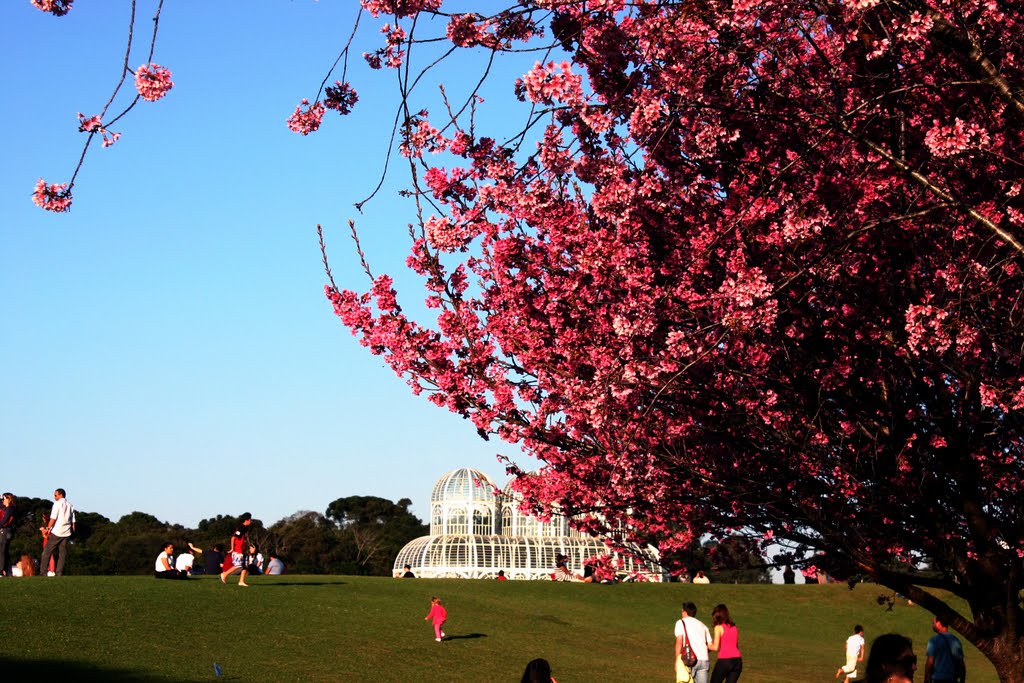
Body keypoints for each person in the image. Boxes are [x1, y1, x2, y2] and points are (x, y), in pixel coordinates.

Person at [39, 488, 76, 576]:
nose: (54, 497)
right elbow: (73, 521)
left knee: (46, 552)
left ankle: (43, 572)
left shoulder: (57, 504)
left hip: (57, 531)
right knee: (62, 554)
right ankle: (59, 572)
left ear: (60, 495)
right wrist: (73, 533)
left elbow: (53, 518)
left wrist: (48, 528)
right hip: (66, 532)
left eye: (55, 495)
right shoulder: (70, 505)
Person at [675, 601, 713, 683]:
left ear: (685, 612)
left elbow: (679, 642)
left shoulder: (681, 622)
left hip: (689, 660)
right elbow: (710, 646)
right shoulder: (703, 625)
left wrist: (677, 661)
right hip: (704, 660)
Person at [708, 603, 742, 683]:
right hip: (737, 661)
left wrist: (706, 645)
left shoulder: (718, 627)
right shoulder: (734, 627)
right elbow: (735, 645)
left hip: (725, 661)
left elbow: (715, 647)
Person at [925, 616, 965, 683]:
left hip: (938, 679)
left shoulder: (933, 641)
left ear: (939, 623)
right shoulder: (955, 640)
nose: (932, 625)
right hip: (952, 679)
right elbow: (961, 664)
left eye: (933, 623)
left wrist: (926, 679)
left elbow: (930, 662)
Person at [220, 513, 253, 587]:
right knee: (238, 565)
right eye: (250, 519)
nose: (251, 520)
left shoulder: (245, 528)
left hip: (244, 550)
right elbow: (233, 538)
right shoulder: (241, 528)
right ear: (246, 520)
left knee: (245, 566)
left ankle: (241, 581)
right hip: (238, 550)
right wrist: (232, 548)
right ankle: (224, 574)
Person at [0, 492, 15, 576]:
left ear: (9, 499)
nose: (3, 500)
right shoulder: (7, 508)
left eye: (4, 499)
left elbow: (5, 520)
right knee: (5, 551)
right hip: (7, 531)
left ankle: (1, 570)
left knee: (1, 550)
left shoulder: (10, 508)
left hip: (6, 531)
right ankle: (8, 571)